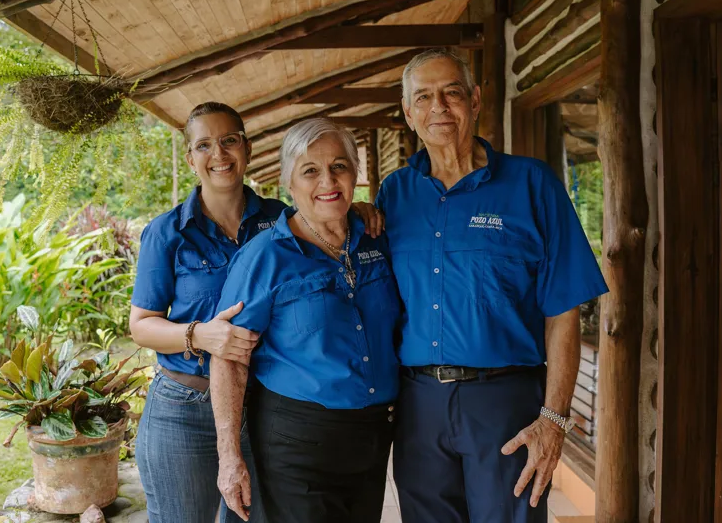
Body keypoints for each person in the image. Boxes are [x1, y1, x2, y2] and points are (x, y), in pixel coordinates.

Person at [375, 48, 608, 523]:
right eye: (423, 97)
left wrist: (554, 418)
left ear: (475, 101)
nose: (438, 106)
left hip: (506, 404)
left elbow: (562, 310)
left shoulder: (532, 184)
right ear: (408, 113)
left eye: (451, 93)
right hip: (418, 404)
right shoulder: (393, 194)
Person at [210, 118, 401, 523]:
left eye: (339, 166)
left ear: (355, 175)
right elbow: (228, 358)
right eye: (310, 171)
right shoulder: (265, 257)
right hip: (298, 443)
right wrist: (229, 457)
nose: (327, 180)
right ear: (288, 185)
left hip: (372, 438)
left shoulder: (375, 238)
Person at [129, 101, 283, 523]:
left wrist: (361, 211)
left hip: (262, 403)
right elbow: (141, 326)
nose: (219, 154)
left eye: (229, 140)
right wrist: (198, 335)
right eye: (204, 145)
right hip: (184, 408)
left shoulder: (283, 221)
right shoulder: (167, 232)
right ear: (190, 157)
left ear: (247, 148)